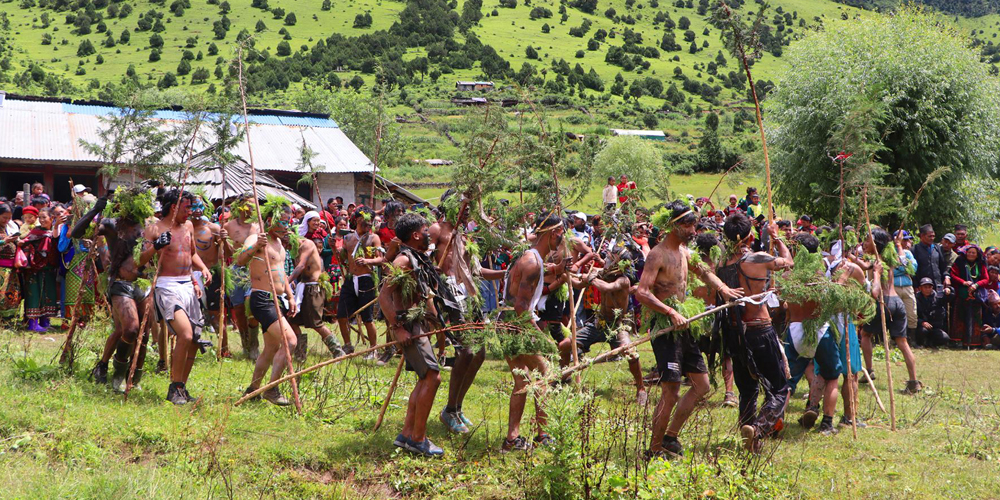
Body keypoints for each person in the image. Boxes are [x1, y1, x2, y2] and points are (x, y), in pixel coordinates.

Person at [638, 201, 742, 457]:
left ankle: (670, 437)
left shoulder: (685, 252)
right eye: (688, 224)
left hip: (685, 326)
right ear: (673, 225)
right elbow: (641, 292)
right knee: (671, 391)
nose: (693, 229)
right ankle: (653, 449)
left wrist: (723, 289)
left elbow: (705, 272)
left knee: (702, 385)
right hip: (665, 327)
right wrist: (670, 311)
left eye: (694, 223)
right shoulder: (657, 254)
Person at [716, 213, 792, 452]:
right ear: (750, 235)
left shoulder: (722, 263)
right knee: (780, 388)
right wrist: (777, 239)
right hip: (760, 329)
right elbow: (788, 262)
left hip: (734, 332)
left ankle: (749, 437)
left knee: (747, 389)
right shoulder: (757, 258)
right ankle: (758, 428)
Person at [381, 212, 445, 457]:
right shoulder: (402, 262)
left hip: (416, 325)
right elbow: (384, 296)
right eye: (426, 229)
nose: (430, 233)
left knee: (425, 377)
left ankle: (407, 434)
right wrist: (398, 329)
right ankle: (419, 439)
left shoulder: (415, 258)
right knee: (433, 377)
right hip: (408, 327)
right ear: (416, 234)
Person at [141, 189, 212, 405]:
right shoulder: (154, 229)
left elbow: (190, 254)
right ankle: (173, 386)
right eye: (187, 207)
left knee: (193, 341)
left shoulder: (188, 226)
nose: (191, 212)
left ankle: (181, 387)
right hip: (167, 286)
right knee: (186, 335)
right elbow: (140, 260)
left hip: (188, 286)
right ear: (174, 207)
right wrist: (157, 246)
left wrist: (202, 270)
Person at [499, 213, 562, 452]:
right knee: (547, 372)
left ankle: (512, 439)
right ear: (551, 233)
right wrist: (541, 337)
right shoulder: (533, 263)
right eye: (560, 233)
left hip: (505, 322)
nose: (562, 238)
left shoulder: (531, 257)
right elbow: (521, 308)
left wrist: (558, 267)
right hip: (517, 324)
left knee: (522, 380)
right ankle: (544, 435)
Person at [238, 200, 300, 406]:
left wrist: (290, 296)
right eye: (282, 222)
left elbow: (282, 273)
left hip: (278, 300)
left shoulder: (280, 244)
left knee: (271, 348)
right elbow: (239, 260)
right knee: (290, 341)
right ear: (270, 220)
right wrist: (256, 246)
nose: (286, 226)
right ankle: (272, 389)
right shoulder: (256, 238)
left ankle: (253, 389)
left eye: (287, 221)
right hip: (262, 299)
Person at [783, 233, 845, 436]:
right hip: (821, 330)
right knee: (832, 377)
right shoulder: (821, 277)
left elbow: (779, 304)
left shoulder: (787, 277)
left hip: (795, 330)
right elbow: (833, 305)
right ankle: (827, 423)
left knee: (787, 382)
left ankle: (776, 419)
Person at [91, 192, 154, 390]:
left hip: (142, 284)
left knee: (141, 334)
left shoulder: (149, 226)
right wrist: (95, 211)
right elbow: (80, 233)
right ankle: (113, 371)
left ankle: (133, 377)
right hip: (120, 283)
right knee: (128, 329)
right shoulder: (112, 225)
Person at [576, 246, 647, 405]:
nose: (606, 260)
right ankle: (563, 378)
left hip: (618, 325)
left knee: (631, 353)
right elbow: (578, 284)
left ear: (618, 263)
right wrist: (565, 275)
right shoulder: (604, 274)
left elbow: (606, 287)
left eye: (610, 258)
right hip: (599, 323)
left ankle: (641, 388)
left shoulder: (623, 280)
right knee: (567, 344)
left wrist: (592, 278)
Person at [861, 228, 922, 394]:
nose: (864, 243)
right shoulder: (890, 257)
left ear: (876, 244)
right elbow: (865, 264)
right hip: (897, 302)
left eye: (867, 241)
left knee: (865, 334)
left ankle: (869, 370)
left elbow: (874, 290)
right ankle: (913, 381)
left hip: (884, 302)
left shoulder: (879, 263)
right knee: (902, 342)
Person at [289, 231, 346, 359]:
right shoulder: (294, 249)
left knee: (316, 323)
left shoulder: (307, 245)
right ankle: (300, 354)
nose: (285, 245)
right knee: (292, 320)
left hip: (314, 288)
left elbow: (301, 266)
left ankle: (338, 352)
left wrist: (288, 280)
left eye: (286, 242)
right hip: (302, 288)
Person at [337, 206, 384, 359]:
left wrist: (367, 260)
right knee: (341, 315)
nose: (368, 225)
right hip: (351, 279)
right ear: (357, 220)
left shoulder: (373, 238)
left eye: (370, 222)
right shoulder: (348, 238)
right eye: (365, 222)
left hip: (366, 280)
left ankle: (373, 349)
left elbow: (381, 259)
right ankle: (347, 346)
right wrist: (333, 247)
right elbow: (343, 259)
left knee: (367, 317)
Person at [224, 195, 263, 360]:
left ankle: (254, 345)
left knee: (251, 304)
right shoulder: (229, 226)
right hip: (236, 270)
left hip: (254, 268)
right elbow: (227, 254)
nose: (251, 209)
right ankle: (246, 344)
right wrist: (223, 240)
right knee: (239, 310)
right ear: (240, 207)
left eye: (254, 205)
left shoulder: (258, 225)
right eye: (248, 205)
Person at [191, 196, 227, 356]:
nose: (197, 210)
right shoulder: (184, 228)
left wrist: (223, 242)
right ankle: (191, 346)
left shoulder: (214, 228)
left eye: (200, 206)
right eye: (193, 206)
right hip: (189, 274)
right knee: (191, 313)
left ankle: (224, 349)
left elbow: (227, 254)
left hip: (211, 274)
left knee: (215, 315)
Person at [20, 207, 59, 332]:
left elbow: (56, 242)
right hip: (33, 269)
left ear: (51, 218)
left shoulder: (55, 231)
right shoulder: (35, 232)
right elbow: (24, 242)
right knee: (34, 294)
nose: (41, 220)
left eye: (44, 217)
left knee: (48, 294)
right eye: (40, 217)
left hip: (48, 269)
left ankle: (45, 321)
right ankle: (32, 323)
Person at [950, 244, 987, 347]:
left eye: (973, 253)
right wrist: (963, 282)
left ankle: (973, 342)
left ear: (977, 255)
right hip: (962, 294)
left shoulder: (981, 264)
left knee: (975, 319)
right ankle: (957, 341)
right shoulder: (959, 262)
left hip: (976, 295)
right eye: (969, 252)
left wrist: (976, 285)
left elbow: (985, 278)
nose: (971, 254)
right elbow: (953, 275)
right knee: (959, 317)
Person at [892, 230, 918, 347]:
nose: (908, 241)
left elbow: (913, 269)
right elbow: (889, 271)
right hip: (894, 287)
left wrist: (899, 268)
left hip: (907, 287)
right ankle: (895, 339)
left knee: (911, 313)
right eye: (905, 239)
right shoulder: (890, 253)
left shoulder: (908, 253)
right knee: (895, 314)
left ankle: (911, 339)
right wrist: (903, 268)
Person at [912, 224, 952, 300]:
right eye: (929, 236)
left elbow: (943, 266)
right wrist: (916, 286)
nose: (932, 238)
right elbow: (913, 272)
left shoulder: (937, 248)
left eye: (933, 236)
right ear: (922, 236)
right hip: (923, 287)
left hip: (938, 285)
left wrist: (947, 277)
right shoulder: (915, 250)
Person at [0, 204, 22, 322]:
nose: (7, 220)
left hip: (11, 268)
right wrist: (4, 241)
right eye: (4, 217)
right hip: (1, 268)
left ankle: (8, 319)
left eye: (9, 218)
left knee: (11, 294)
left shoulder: (10, 227)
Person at [916, 277, 950, 348]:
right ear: (920, 288)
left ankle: (931, 343)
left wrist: (949, 291)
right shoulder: (915, 299)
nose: (928, 289)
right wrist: (922, 322)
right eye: (925, 287)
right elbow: (913, 316)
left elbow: (948, 299)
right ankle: (920, 343)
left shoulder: (938, 297)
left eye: (929, 287)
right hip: (922, 326)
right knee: (922, 331)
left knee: (945, 338)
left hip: (934, 326)